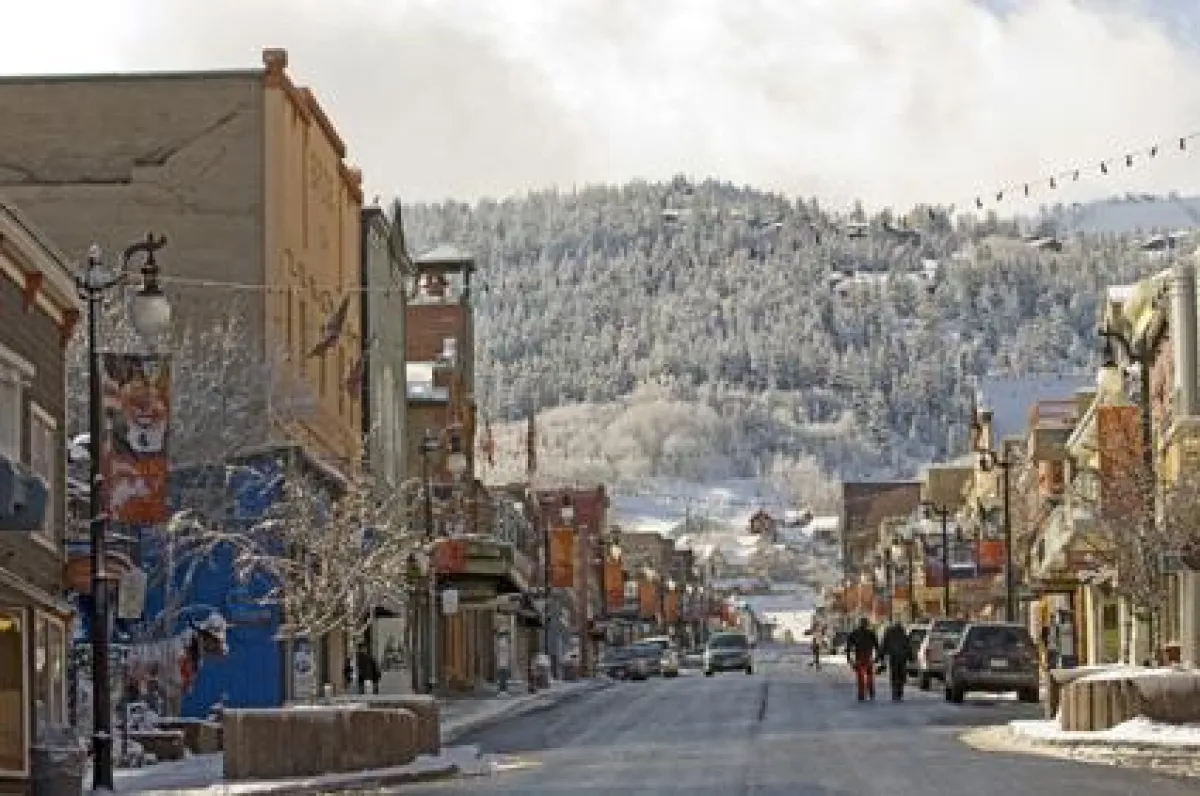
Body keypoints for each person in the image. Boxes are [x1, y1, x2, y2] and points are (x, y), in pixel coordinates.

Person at [845, 617, 880, 701]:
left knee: (861, 677)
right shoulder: (870, 633)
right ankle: (870, 692)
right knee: (869, 676)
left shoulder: (855, 633)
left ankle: (862, 694)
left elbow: (848, 646)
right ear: (867, 624)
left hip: (860, 658)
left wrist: (849, 658)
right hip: (868, 657)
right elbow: (877, 646)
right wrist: (877, 657)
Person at [879, 620, 910, 701]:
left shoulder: (889, 632)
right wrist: (910, 656)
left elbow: (884, 644)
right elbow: (907, 644)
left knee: (894, 674)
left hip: (893, 656)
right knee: (901, 674)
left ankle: (895, 691)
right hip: (902, 657)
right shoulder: (903, 632)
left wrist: (881, 655)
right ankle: (899, 691)